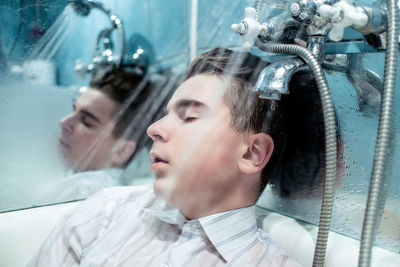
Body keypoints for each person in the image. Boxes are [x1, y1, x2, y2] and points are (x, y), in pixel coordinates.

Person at [28, 48, 302, 266]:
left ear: (252, 153)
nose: (154, 129)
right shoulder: (104, 213)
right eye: (166, 114)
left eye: (190, 116)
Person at [36, 68, 160, 203]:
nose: (63, 122)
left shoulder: (83, 191)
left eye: (86, 121)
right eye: (74, 110)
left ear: (121, 151)